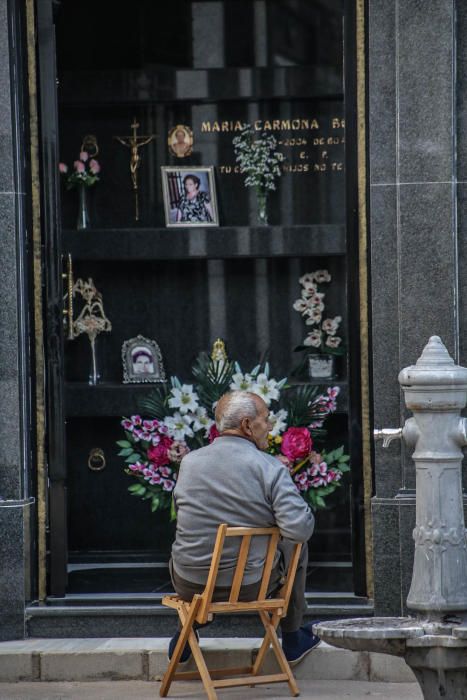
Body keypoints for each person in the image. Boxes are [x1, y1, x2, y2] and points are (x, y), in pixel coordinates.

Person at [168, 390, 320, 666]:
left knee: (197, 540)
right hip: (250, 586)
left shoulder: (189, 463)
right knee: (295, 544)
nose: (270, 426)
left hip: (189, 584)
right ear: (248, 425)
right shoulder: (270, 467)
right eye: (266, 419)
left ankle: (186, 627)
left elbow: (182, 513)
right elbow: (299, 529)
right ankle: (293, 636)